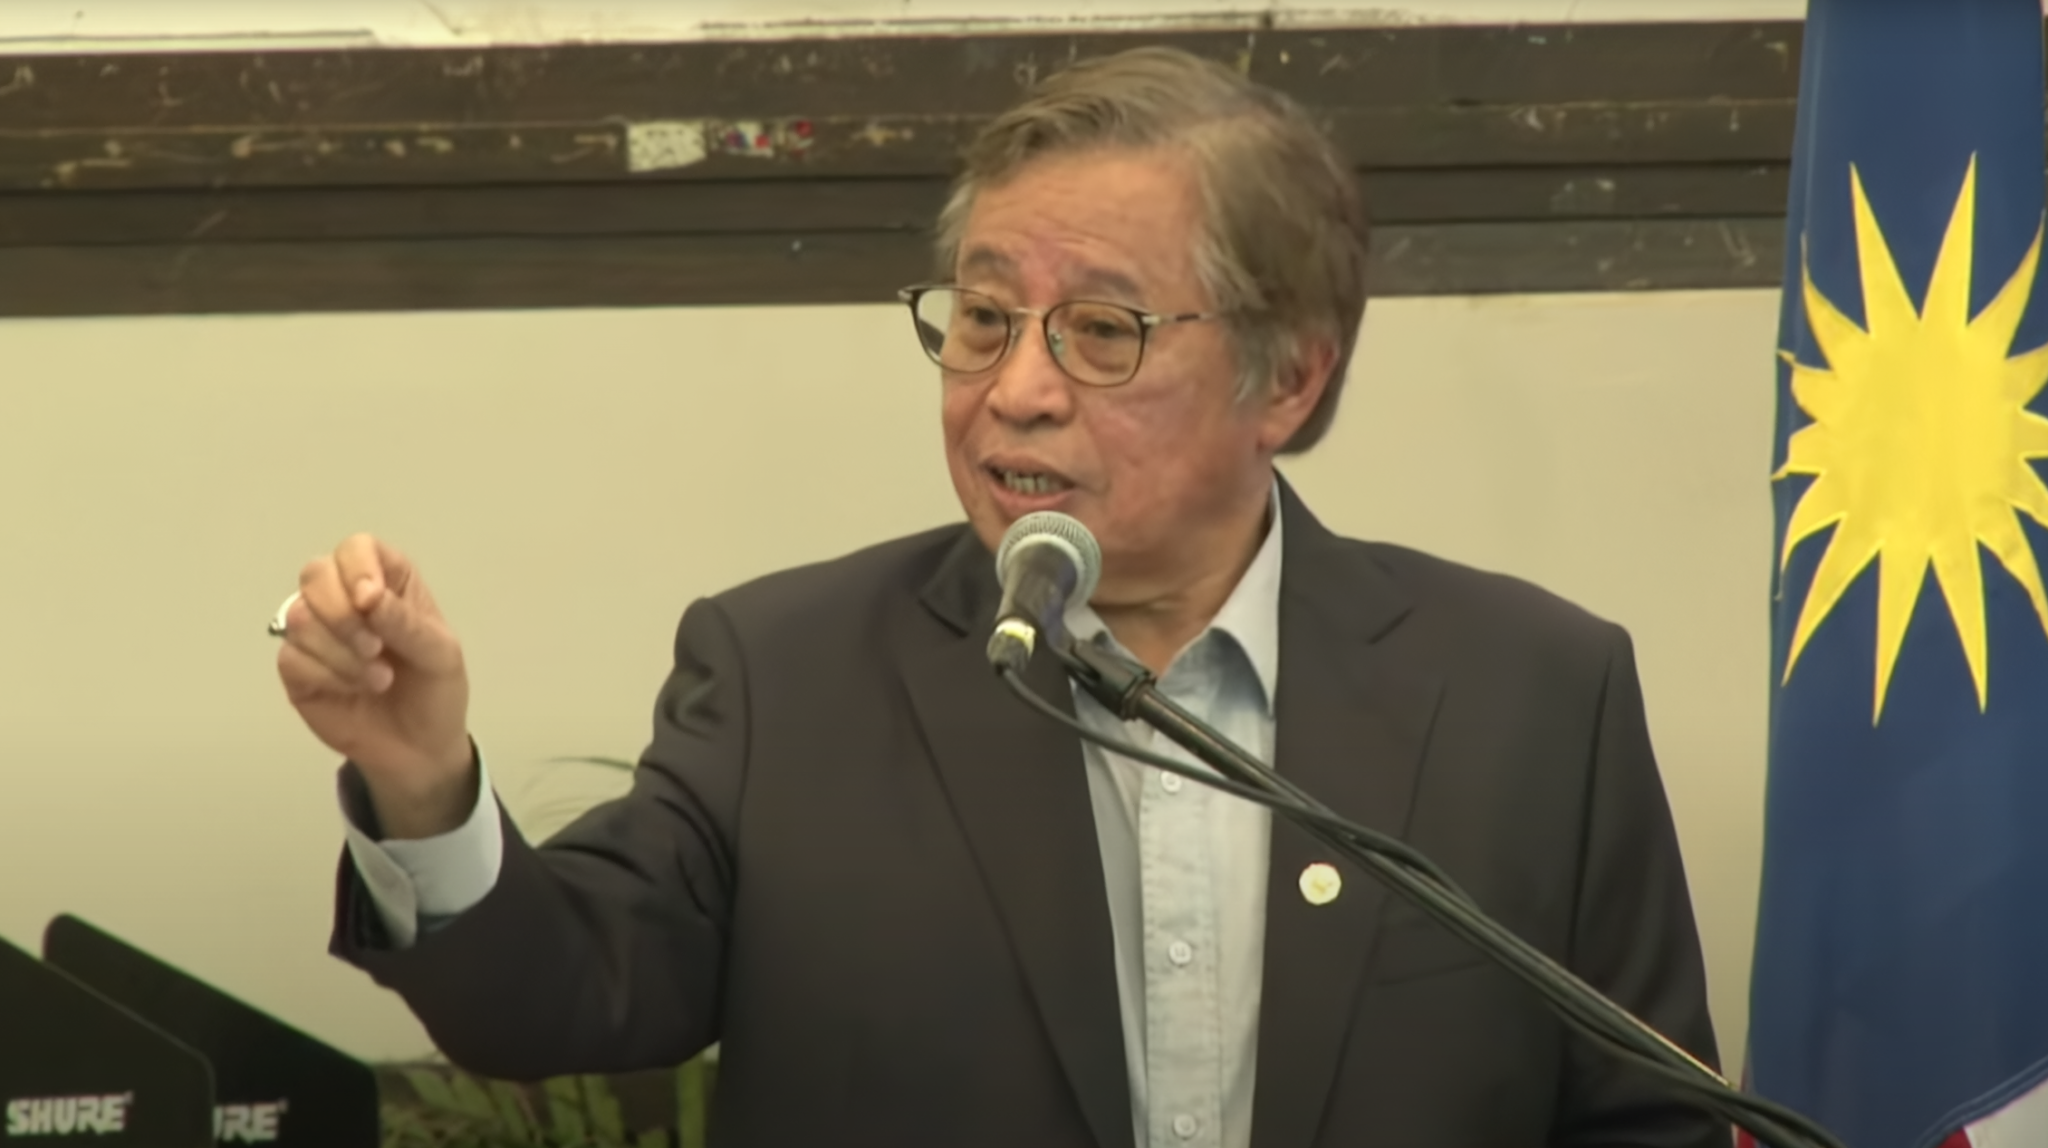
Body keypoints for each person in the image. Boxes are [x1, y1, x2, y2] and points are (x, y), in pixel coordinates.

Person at [275, 46, 1720, 1148]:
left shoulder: (1532, 695)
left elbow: (1648, 1121)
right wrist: (424, 784)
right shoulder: (789, 676)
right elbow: (560, 1000)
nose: (1016, 390)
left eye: (1100, 329)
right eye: (981, 319)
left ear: (1284, 377)